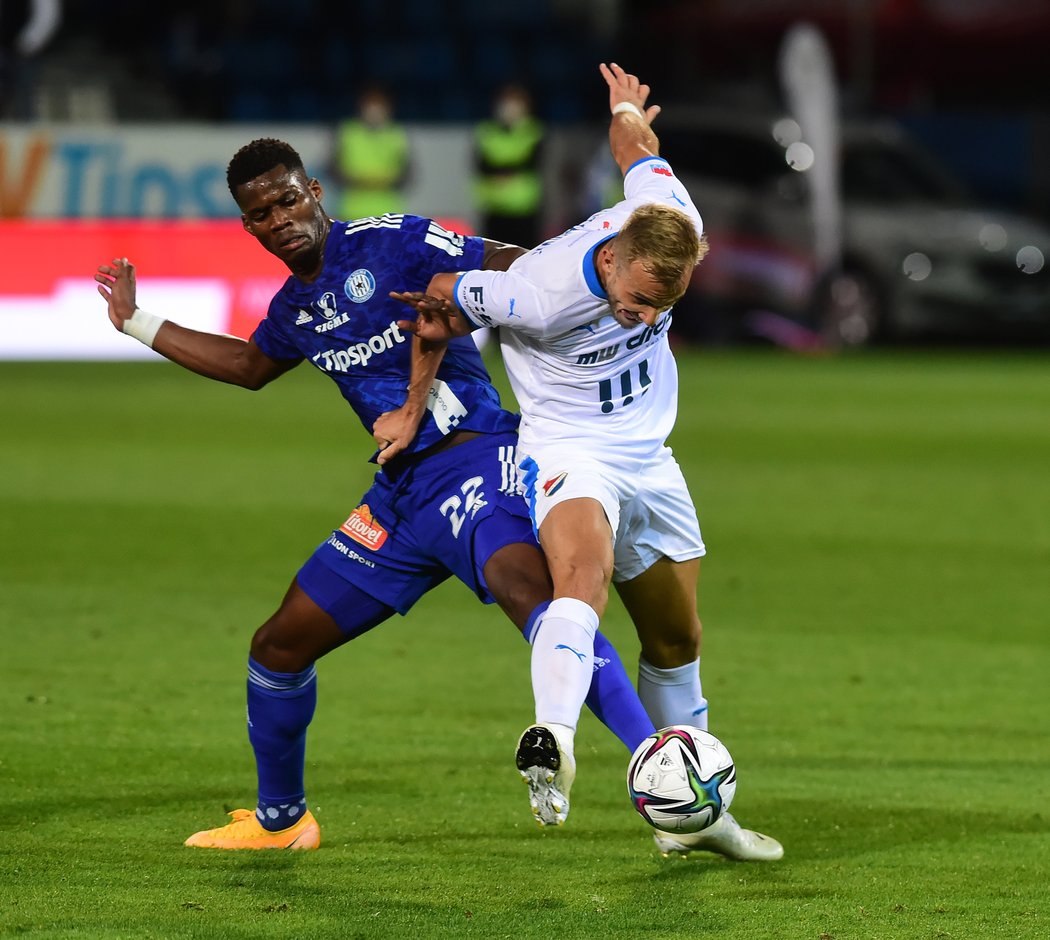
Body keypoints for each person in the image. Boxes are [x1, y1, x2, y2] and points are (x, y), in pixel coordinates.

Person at [93, 137, 657, 851]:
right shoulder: (296, 306)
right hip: (399, 498)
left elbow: (512, 263)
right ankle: (283, 823)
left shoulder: (394, 241)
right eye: (261, 214)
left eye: (288, 200)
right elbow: (247, 364)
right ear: (249, 226)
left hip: (478, 459)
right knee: (278, 647)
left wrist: (579, 300)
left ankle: (659, 770)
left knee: (534, 598)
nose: (280, 220)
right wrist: (136, 321)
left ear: (315, 192)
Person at [394, 63, 784, 861]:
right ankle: (555, 738)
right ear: (611, 257)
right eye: (637, 302)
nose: (644, 319)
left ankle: (693, 821)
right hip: (569, 450)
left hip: (650, 456)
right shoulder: (536, 293)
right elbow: (438, 298)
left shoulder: (671, 212)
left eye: (661, 311)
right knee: (583, 578)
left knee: (678, 640)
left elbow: (636, 147)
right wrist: (411, 405)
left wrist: (626, 106)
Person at [473, 82, 545, 250]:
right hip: (494, 206)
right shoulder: (486, 131)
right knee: (491, 259)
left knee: (524, 256)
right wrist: (511, 168)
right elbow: (481, 165)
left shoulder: (534, 131)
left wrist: (500, 168)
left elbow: (532, 163)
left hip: (524, 207)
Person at [333, 84, 410, 220]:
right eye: (370, 104)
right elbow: (334, 170)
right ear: (361, 106)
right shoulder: (348, 132)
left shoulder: (397, 134)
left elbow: (406, 174)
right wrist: (358, 181)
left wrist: (384, 181)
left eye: (379, 105)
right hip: (352, 210)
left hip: (388, 213)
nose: (374, 110)